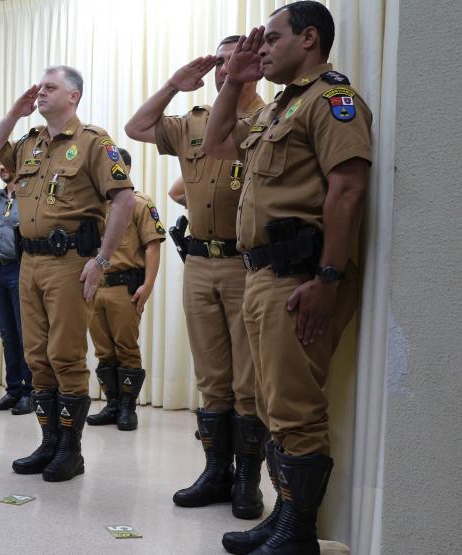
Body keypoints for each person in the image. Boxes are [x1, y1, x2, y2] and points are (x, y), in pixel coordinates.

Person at [202, 2, 372, 553]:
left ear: (310, 38)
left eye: (273, 39)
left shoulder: (333, 101)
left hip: (300, 276)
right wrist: (234, 78)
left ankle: (298, 534)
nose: (264, 48)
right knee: (274, 404)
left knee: (295, 406)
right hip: (261, 275)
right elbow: (215, 141)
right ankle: (282, 518)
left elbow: (347, 190)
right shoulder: (280, 108)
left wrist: (327, 277)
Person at [125, 36, 267, 519]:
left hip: (247, 263)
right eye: (220, 63)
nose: (225, 70)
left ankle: (248, 480)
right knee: (212, 379)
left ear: (257, 67)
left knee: (248, 382)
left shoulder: (268, 119)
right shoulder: (193, 121)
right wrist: (172, 84)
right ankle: (215, 472)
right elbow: (137, 126)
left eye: (235, 62)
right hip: (199, 262)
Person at [0, 65, 136, 482]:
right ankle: (48, 443)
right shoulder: (29, 144)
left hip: (69, 261)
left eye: (51, 87)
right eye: (40, 87)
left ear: (74, 96)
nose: (41, 93)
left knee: (65, 356)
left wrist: (102, 260)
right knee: (36, 358)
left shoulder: (93, 143)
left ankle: (70, 449)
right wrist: (14, 113)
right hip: (28, 262)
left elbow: (124, 201)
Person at [85, 148, 165, 431]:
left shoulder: (139, 204)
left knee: (126, 348)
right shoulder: (94, 207)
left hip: (124, 287)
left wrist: (148, 285)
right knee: (103, 351)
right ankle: (112, 404)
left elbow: (153, 245)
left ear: (127, 169)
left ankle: (128, 408)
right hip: (95, 288)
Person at [0, 163, 34, 415]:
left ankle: (30, 392)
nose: (2, 168)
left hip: (20, 268)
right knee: (7, 333)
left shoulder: (29, 195)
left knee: (25, 334)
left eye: (7, 163)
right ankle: (13, 391)